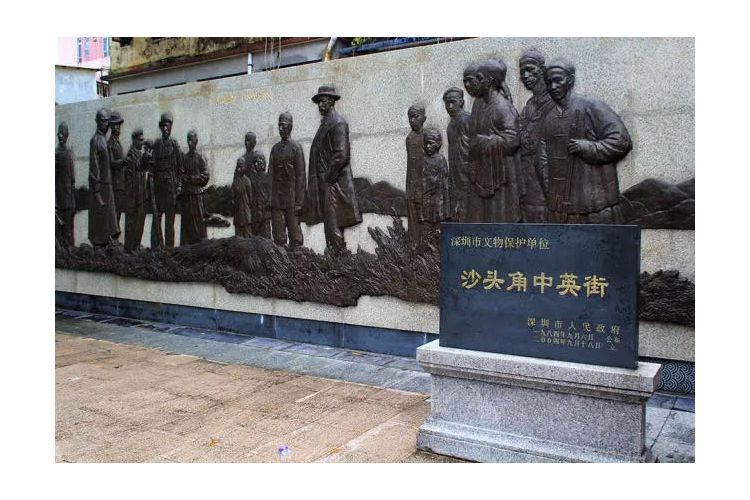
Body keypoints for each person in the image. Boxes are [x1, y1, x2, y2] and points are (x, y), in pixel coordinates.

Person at [537, 58, 632, 224]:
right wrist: (549, 187)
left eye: (558, 80)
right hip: (559, 205)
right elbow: (542, 156)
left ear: (570, 79)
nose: (553, 86)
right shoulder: (548, 118)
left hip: (594, 204)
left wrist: (589, 148)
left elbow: (621, 140)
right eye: (549, 82)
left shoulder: (591, 106)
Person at [304, 85, 361, 255]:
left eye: (322, 101)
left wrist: (328, 177)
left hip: (332, 182)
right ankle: (334, 254)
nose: (320, 105)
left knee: (333, 220)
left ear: (330, 101)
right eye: (319, 103)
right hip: (326, 181)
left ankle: (337, 256)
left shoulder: (338, 123)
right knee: (330, 220)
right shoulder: (326, 123)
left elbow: (342, 154)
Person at [464, 59, 522, 223]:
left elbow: (513, 139)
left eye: (479, 78)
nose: (476, 82)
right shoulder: (478, 104)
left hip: (501, 174)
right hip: (482, 170)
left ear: (489, 81)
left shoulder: (502, 106)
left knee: (499, 217)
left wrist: (486, 141)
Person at [517, 48, 551, 222]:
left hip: (545, 183)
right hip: (527, 182)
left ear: (542, 70)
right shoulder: (530, 104)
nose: (525, 76)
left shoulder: (553, 103)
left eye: (530, 69)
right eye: (522, 72)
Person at [269, 112, 306, 248]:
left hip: (292, 199)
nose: (280, 128)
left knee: (295, 237)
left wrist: (300, 202)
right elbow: (270, 175)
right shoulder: (275, 149)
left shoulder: (296, 148)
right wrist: (269, 199)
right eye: (279, 125)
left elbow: (301, 176)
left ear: (290, 126)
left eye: (283, 125)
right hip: (277, 200)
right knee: (278, 237)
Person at [88, 108, 120, 246]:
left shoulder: (104, 140)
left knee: (109, 219)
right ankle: (100, 245)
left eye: (107, 121)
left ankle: (107, 243)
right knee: (101, 219)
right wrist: (96, 190)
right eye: (103, 121)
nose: (106, 124)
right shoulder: (95, 140)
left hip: (107, 183)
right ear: (98, 122)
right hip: (101, 186)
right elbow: (94, 166)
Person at [151, 112, 182, 248]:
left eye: (167, 126)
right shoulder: (157, 144)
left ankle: (169, 249)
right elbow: (153, 167)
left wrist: (179, 185)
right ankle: (156, 248)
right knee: (156, 219)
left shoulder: (174, 144)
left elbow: (180, 167)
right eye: (163, 126)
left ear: (171, 127)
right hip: (159, 189)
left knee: (170, 222)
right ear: (161, 127)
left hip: (171, 189)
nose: (165, 129)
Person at [442, 87, 471, 222]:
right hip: (455, 171)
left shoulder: (466, 119)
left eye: (453, 102)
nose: (450, 106)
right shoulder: (451, 125)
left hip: (467, 171)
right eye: (447, 103)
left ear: (461, 102)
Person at [419, 128, 451, 244]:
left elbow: (445, 178)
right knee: (427, 220)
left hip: (439, 196)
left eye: (431, 143)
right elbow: (421, 177)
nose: (428, 146)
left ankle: (439, 240)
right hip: (427, 195)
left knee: (439, 218)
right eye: (426, 144)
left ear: (437, 144)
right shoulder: (423, 160)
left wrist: (436, 181)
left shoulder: (440, 159)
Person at [180, 130, 210, 245]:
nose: (190, 143)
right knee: (187, 225)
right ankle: (186, 247)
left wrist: (191, 179)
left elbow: (205, 177)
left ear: (196, 141)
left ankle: (201, 246)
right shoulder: (184, 158)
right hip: (187, 196)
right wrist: (183, 179)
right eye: (188, 140)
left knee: (199, 224)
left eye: (192, 140)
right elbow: (180, 175)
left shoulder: (201, 157)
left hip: (197, 196)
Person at [123, 128, 148, 251]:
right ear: (134, 140)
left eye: (142, 140)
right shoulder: (131, 155)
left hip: (141, 194)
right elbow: (137, 168)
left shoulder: (139, 153)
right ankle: (130, 247)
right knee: (132, 222)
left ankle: (136, 246)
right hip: (133, 195)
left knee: (140, 221)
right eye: (139, 140)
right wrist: (145, 158)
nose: (142, 142)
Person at [405, 104, 426, 247]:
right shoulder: (409, 138)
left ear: (424, 118)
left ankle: (425, 245)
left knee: (423, 216)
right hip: (411, 183)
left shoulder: (427, 136)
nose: (412, 120)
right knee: (412, 216)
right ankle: (413, 245)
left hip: (424, 184)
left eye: (416, 116)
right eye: (410, 117)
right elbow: (410, 165)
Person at [55, 121, 76, 247]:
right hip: (59, 200)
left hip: (69, 200)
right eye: (59, 133)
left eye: (63, 133)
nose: (60, 135)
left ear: (67, 135)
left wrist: (73, 202)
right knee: (60, 231)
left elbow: (72, 180)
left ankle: (70, 251)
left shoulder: (69, 153)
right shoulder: (55, 154)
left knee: (69, 230)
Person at [108, 110, 126, 225]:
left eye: (119, 125)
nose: (118, 127)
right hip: (115, 184)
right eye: (115, 125)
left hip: (120, 183)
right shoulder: (110, 143)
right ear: (111, 126)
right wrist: (123, 161)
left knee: (118, 211)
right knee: (114, 213)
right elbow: (111, 162)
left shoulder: (117, 142)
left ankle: (116, 232)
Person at [249, 151, 272, 238]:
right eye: (255, 162)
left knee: (265, 230)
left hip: (265, 208)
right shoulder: (252, 178)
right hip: (255, 208)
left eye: (259, 162)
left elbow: (270, 192)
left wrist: (269, 202)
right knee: (255, 230)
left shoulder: (267, 177)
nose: (257, 164)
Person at [232, 157, 253, 238]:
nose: (239, 168)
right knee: (238, 236)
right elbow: (233, 197)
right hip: (237, 212)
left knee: (247, 234)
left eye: (241, 166)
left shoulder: (247, 181)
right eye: (238, 166)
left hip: (245, 211)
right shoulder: (235, 181)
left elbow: (250, 198)